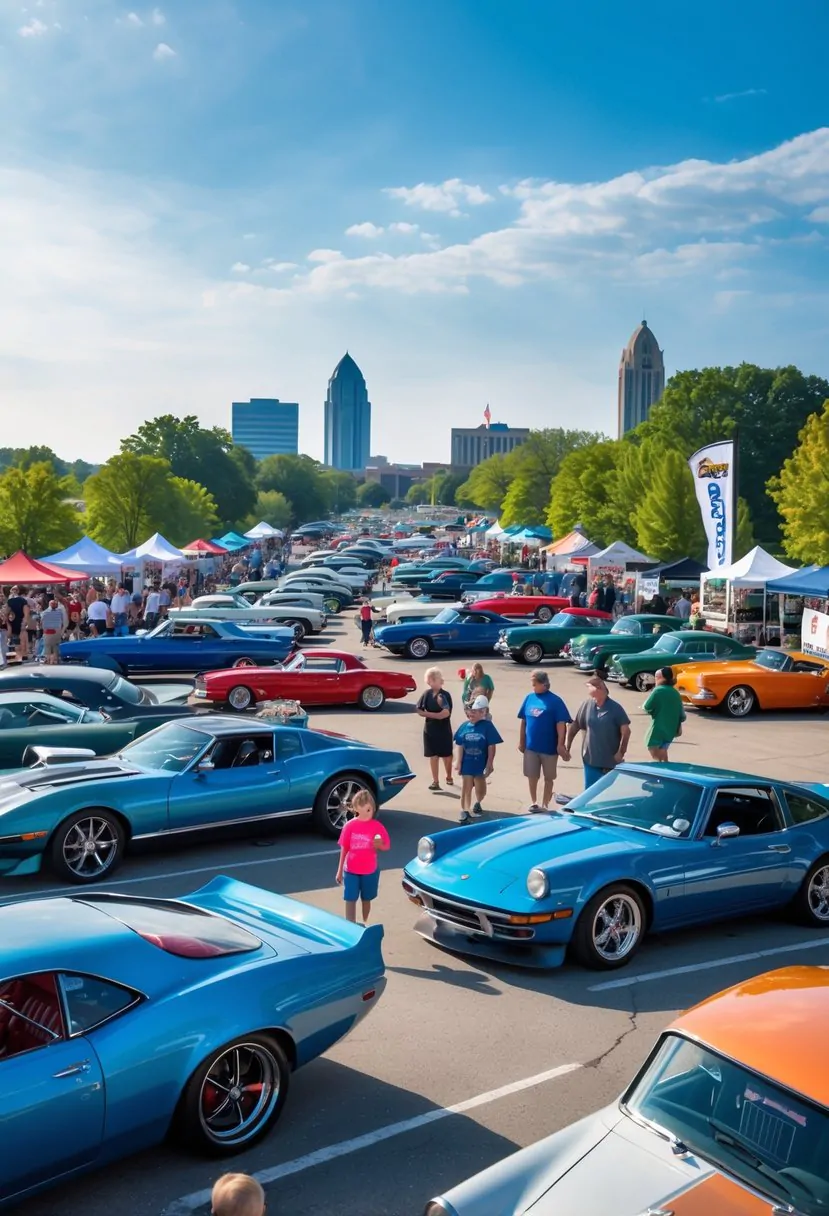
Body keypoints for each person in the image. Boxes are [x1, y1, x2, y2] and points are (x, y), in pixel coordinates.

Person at [517, 671, 571, 811]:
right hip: (531, 747)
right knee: (532, 775)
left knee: (548, 777)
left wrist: (560, 744)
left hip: (549, 748)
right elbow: (524, 721)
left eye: (535, 684)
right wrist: (521, 741)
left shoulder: (555, 701)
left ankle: (545, 804)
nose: (532, 686)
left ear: (544, 684)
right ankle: (534, 801)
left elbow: (561, 724)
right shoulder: (529, 698)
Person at [565, 675, 632, 788]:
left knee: (605, 793)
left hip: (609, 762)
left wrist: (621, 752)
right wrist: (567, 746)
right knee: (590, 792)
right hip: (590, 759)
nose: (587, 690)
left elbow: (626, 731)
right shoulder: (587, 704)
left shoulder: (615, 708)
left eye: (589, 687)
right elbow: (575, 725)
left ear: (599, 688)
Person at [335, 789, 390, 924]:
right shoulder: (349, 826)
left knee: (366, 899)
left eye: (368, 811)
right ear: (354, 810)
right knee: (350, 898)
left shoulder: (377, 827)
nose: (365, 815)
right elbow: (345, 848)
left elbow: (386, 846)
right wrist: (339, 870)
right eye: (360, 812)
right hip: (351, 870)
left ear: (373, 808)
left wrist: (380, 844)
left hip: (369, 870)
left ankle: (365, 922)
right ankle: (351, 925)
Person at [453, 694, 502, 823]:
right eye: (470, 712)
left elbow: (492, 746)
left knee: (480, 787)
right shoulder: (464, 726)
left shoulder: (487, 726)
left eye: (475, 712)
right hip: (467, 762)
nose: (471, 715)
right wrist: (458, 761)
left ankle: (478, 801)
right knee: (466, 786)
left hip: (481, 763)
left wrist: (490, 763)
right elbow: (459, 744)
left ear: (483, 712)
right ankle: (464, 810)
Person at [417, 667, 454, 789]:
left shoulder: (444, 695)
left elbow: (445, 714)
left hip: (443, 729)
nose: (431, 682)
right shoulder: (426, 694)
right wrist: (435, 715)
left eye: (434, 679)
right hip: (430, 730)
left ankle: (449, 776)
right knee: (433, 756)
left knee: (447, 755)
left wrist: (430, 714)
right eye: (430, 680)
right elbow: (419, 710)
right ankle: (435, 781)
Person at [643, 667, 685, 761]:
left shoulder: (658, 691)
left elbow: (646, 707)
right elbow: (682, 716)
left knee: (657, 759)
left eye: (656, 677)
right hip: (670, 731)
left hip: (657, 731)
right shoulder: (675, 692)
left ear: (661, 678)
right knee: (664, 758)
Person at [6, 585, 29, 661]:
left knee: (15, 641)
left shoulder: (10, 601)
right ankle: (23, 656)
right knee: (22, 640)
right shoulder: (23, 601)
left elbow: (6, 613)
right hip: (20, 622)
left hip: (13, 622)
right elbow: (26, 613)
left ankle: (18, 657)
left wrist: (7, 623)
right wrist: (24, 622)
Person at [39, 598, 65, 665]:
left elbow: (41, 623)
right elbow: (62, 622)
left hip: (48, 632)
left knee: (48, 647)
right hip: (57, 631)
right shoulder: (59, 612)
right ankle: (54, 661)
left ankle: (48, 661)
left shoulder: (44, 613)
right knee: (55, 647)